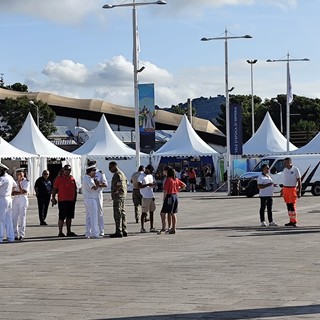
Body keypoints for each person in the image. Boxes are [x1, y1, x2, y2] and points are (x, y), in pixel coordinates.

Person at [51, 164, 78, 237]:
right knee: (62, 216)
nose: (67, 171)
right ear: (63, 170)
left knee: (69, 217)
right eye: (66, 170)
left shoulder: (72, 178)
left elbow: (75, 189)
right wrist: (53, 198)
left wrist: (75, 198)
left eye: (69, 170)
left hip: (71, 200)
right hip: (62, 200)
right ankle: (60, 232)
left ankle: (69, 231)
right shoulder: (59, 178)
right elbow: (54, 189)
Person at [158, 167, 186, 234]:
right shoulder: (175, 179)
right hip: (175, 196)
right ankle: (173, 228)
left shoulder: (168, 179)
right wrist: (178, 190)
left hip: (169, 196)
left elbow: (165, 190)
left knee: (163, 213)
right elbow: (184, 185)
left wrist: (164, 199)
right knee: (172, 213)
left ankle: (164, 228)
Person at [87, 160, 108, 236]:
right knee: (89, 214)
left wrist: (98, 185)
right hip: (90, 194)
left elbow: (106, 184)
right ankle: (89, 231)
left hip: (98, 194)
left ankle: (101, 230)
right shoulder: (88, 173)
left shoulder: (100, 173)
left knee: (99, 212)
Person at [82, 164, 102, 239]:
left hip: (87, 199)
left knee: (89, 217)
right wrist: (98, 184)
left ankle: (88, 233)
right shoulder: (89, 179)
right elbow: (94, 188)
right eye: (93, 172)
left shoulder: (85, 178)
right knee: (94, 217)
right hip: (91, 199)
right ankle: (95, 233)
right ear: (89, 172)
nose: (94, 173)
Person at [109, 161, 128, 238]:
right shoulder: (122, 173)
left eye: (110, 167)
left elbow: (119, 183)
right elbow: (125, 182)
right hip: (122, 195)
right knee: (122, 212)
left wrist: (115, 191)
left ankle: (118, 231)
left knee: (117, 213)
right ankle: (124, 229)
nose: (109, 169)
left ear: (114, 166)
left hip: (118, 196)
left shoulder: (117, 174)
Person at [282, 157, 301, 227]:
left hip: (292, 189)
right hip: (285, 189)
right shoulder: (285, 170)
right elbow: (285, 180)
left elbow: (299, 180)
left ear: (290, 162)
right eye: (284, 162)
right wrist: (282, 190)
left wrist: (299, 191)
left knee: (292, 205)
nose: (284, 164)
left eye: (286, 162)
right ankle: (290, 220)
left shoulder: (295, 169)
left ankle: (294, 221)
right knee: (288, 205)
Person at [138, 164, 157, 233]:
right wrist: (148, 185)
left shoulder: (150, 176)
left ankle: (151, 227)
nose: (150, 172)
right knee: (144, 212)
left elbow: (153, 183)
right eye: (150, 171)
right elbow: (139, 186)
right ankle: (142, 228)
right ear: (147, 169)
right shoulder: (141, 176)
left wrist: (153, 185)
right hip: (145, 197)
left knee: (152, 212)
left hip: (151, 196)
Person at [0, 163, 16, 243]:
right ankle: (11, 237)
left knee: (1, 219)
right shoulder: (10, 177)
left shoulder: (2, 179)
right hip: (9, 198)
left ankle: (0, 237)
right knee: (8, 218)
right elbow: (14, 186)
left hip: (2, 199)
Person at [12, 170, 30, 240]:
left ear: (24, 175)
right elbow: (13, 193)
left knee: (22, 217)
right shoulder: (15, 182)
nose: (19, 176)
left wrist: (19, 183)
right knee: (14, 217)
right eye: (18, 174)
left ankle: (22, 234)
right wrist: (20, 192)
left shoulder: (26, 182)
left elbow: (24, 191)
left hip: (23, 199)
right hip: (16, 199)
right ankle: (15, 234)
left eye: (20, 174)